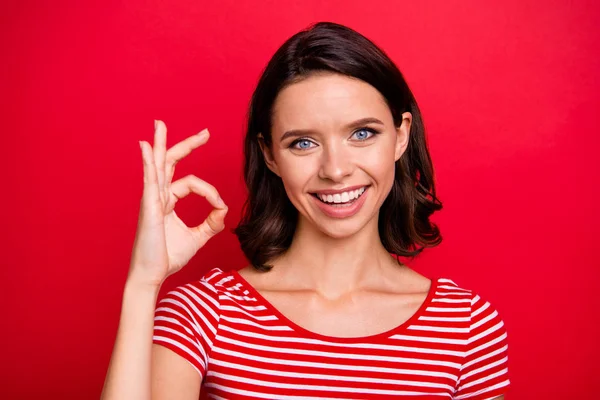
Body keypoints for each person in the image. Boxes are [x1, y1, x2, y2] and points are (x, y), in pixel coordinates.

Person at [101, 21, 510, 400]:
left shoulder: (466, 327)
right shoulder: (203, 315)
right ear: (270, 155)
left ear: (401, 136)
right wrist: (143, 282)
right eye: (303, 143)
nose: (335, 170)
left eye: (362, 133)